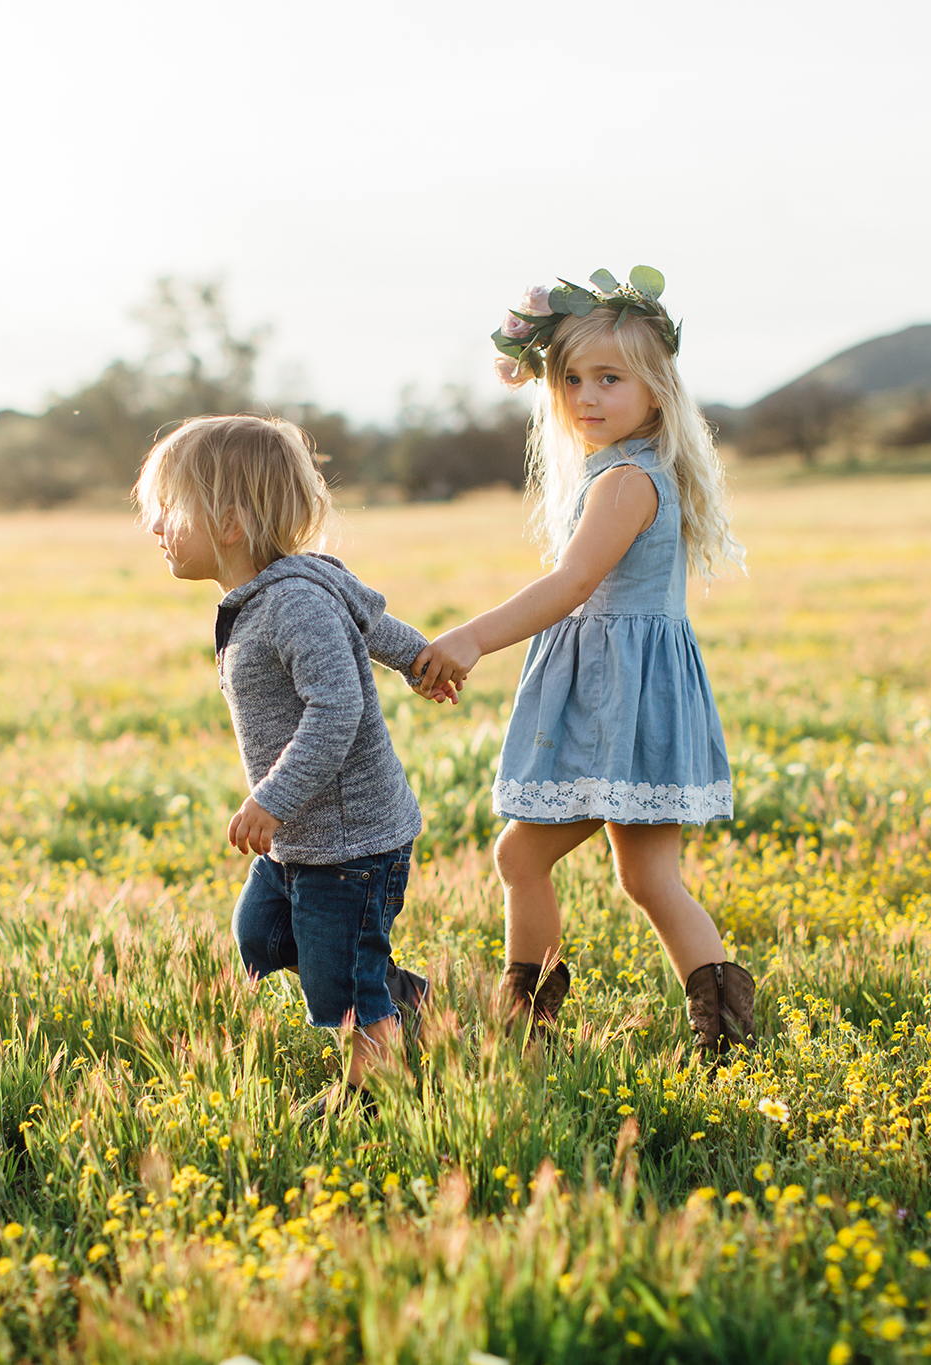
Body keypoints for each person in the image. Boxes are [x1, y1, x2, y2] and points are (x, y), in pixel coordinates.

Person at [412, 268, 757, 1056]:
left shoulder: (628, 480)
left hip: (618, 699)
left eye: (610, 377)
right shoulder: (623, 472)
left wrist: (469, 638)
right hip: (630, 697)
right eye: (569, 378)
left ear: (658, 390)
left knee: (523, 855)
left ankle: (530, 1019)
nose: (586, 395)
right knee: (645, 880)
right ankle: (721, 1034)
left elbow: (571, 584)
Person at [133, 414, 445, 1118]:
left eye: (168, 509)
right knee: (261, 937)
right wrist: (418, 660)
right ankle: (403, 992)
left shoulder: (294, 602)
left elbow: (335, 709)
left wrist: (271, 797)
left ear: (231, 521)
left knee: (338, 987)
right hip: (304, 837)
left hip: (349, 842)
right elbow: (376, 623)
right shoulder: (277, 592)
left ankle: (376, 1092)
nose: (154, 526)